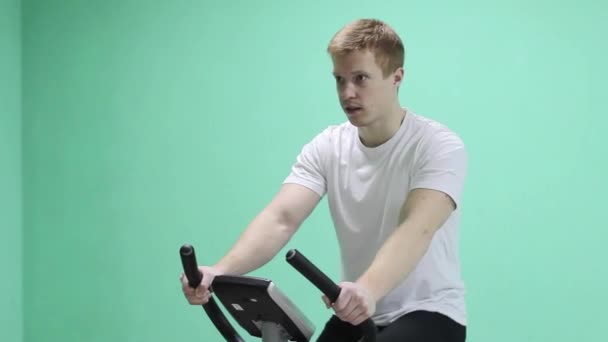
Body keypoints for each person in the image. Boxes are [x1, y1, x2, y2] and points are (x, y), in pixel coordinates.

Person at [181, 18, 468, 341]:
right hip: (357, 310)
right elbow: (281, 218)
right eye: (339, 80)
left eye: (361, 78)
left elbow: (418, 227)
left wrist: (367, 290)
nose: (348, 92)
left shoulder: (438, 146)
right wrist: (220, 271)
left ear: (396, 77)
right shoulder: (329, 146)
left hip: (428, 312)